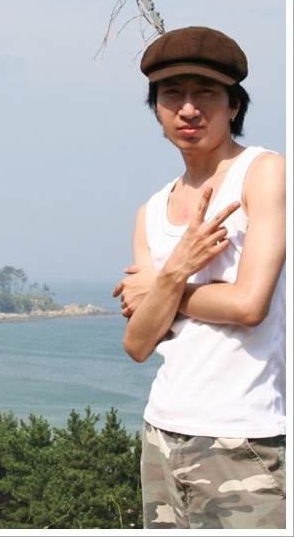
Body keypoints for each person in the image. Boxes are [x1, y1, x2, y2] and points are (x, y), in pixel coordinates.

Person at [112, 26, 286, 530]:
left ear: (234, 105)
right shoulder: (150, 211)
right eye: (172, 93)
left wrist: (164, 286)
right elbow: (138, 343)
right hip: (161, 432)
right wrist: (175, 273)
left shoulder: (263, 172)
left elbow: (249, 305)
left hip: (244, 436)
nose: (188, 108)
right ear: (156, 109)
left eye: (205, 92)